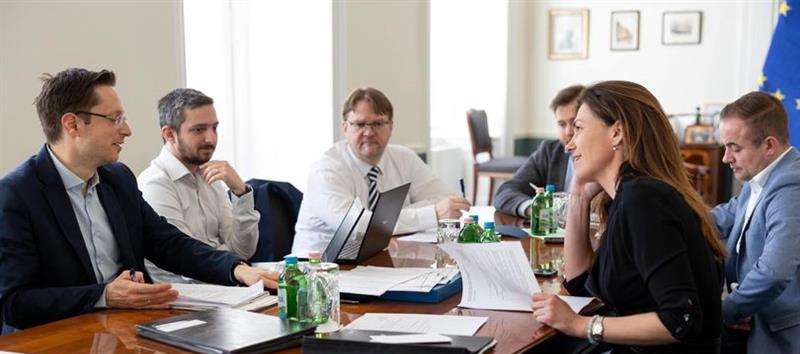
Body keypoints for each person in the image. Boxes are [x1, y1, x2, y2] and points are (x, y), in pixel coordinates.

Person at [488, 81, 726, 354]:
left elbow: (679, 320)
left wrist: (582, 326)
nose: (569, 141)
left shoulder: (643, 200)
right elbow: (583, 283)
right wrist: (579, 197)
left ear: (617, 132)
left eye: (579, 128)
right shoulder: (632, 195)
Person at [0, 68, 277, 331]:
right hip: (55, 343)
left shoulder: (117, 179)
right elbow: (13, 303)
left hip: (122, 333)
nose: (127, 130)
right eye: (115, 119)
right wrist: (103, 295)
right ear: (73, 124)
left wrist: (236, 269)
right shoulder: (15, 194)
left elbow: (168, 243)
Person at [292, 87, 470, 255]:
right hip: (322, 267)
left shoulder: (404, 158)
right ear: (345, 128)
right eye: (360, 124)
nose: (369, 132)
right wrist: (431, 214)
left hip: (380, 260)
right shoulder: (326, 170)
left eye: (377, 123)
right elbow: (357, 227)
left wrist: (392, 219)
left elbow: (444, 199)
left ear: (390, 126)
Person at [712, 92, 800, 354]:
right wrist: (670, 219)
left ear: (769, 145)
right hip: (752, 314)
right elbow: (724, 216)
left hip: (775, 334)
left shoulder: (791, 187)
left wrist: (725, 313)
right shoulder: (766, 176)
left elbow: (774, 273)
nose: (725, 158)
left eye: (734, 148)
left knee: (678, 347)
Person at [139, 88, 259, 283]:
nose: (211, 138)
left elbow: (243, 251)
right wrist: (229, 259)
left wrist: (240, 191)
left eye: (214, 128)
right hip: (185, 295)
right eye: (199, 130)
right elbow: (186, 265)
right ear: (169, 134)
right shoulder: (155, 184)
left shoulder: (210, 175)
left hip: (224, 287)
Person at [493, 84, 584, 217]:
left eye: (575, 123)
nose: (568, 132)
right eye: (562, 124)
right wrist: (536, 209)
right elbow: (504, 192)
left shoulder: (604, 154)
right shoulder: (550, 151)